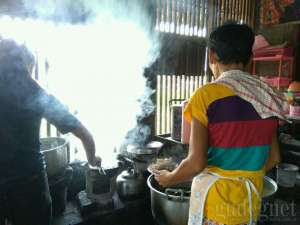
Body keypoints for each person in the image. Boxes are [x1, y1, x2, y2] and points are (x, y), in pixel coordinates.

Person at [155, 23, 288, 225]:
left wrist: (169, 178)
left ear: (212, 56)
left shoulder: (206, 95)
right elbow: (275, 157)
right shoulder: (266, 96)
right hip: (248, 205)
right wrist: (244, 172)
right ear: (250, 58)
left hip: (216, 208)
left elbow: (196, 163)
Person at [0, 39, 101, 225]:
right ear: (27, 65)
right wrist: (93, 160)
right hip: (29, 186)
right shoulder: (35, 93)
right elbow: (84, 134)